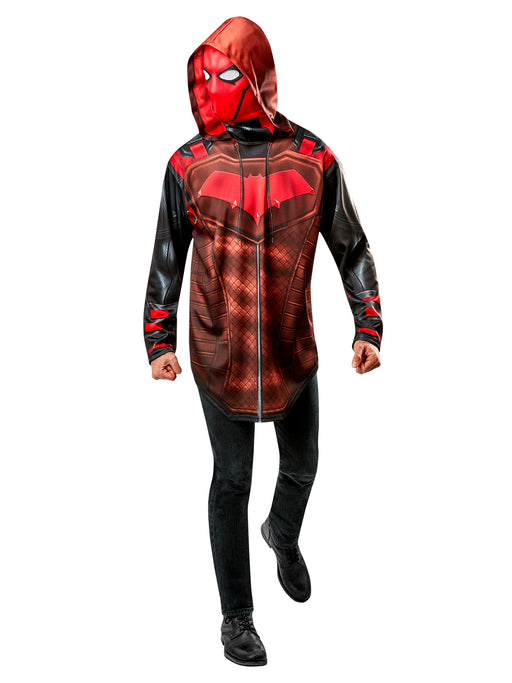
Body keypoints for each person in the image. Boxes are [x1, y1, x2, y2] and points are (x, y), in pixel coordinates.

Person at [143, 16, 383, 667]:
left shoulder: (314, 158)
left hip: (290, 348)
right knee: (232, 478)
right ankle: (237, 617)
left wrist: (368, 324)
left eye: (224, 73)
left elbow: (351, 245)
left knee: (302, 465)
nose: (210, 88)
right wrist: (158, 339)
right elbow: (167, 255)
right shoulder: (188, 165)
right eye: (202, 76)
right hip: (217, 349)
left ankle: (282, 530)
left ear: (256, 74)